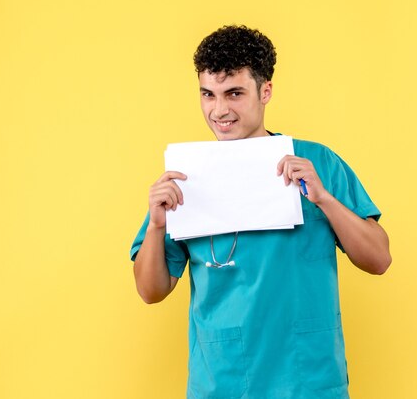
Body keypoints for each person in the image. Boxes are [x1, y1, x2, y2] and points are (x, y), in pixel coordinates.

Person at [130, 25, 392, 399]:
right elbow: (151, 291)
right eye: (208, 94)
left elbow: (379, 258)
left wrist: (324, 199)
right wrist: (157, 226)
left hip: (307, 378)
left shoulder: (317, 162)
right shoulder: (187, 176)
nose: (219, 110)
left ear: (265, 90)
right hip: (224, 381)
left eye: (234, 93)